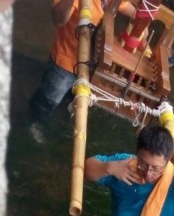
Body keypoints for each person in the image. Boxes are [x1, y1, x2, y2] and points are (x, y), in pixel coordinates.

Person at [29, 0, 136, 136]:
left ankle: (62, 122)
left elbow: (125, 6)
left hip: (89, 66)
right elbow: (58, 19)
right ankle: (35, 123)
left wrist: (141, 19)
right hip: (65, 61)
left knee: (72, 99)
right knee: (49, 98)